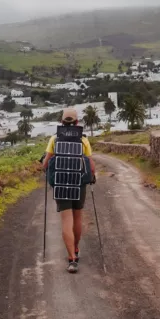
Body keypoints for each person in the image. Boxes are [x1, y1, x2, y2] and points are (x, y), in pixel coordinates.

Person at [42, 107, 95, 273]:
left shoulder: (55, 139)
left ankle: (72, 259)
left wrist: (45, 167)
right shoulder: (83, 140)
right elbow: (91, 167)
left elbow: (45, 164)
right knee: (77, 217)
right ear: (77, 122)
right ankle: (77, 249)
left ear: (61, 122)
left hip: (61, 183)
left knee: (66, 220)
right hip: (79, 183)